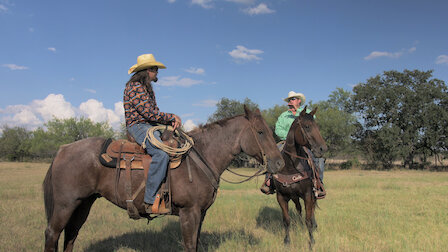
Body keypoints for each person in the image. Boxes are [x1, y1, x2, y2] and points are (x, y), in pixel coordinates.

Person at [123, 53, 181, 214]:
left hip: (148, 125)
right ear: (147, 70)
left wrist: (169, 122)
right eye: (155, 69)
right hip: (138, 126)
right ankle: (149, 200)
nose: (157, 72)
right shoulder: (135, 87)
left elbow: (153, 113)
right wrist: (171, 117)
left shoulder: (146, 88)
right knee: (161, 153)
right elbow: (148, 113)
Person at [260, 91, 326, 198]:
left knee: (318, 159)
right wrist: (291, 136)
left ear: (299, 101)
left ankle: (318, 184)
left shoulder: (308, 113)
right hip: (286, 142)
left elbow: (312, 129)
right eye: (289, 100)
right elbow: (278, 129)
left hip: (304, 142)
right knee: (272, 153)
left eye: (292, 99)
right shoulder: (284, 115)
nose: (290, 102)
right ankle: (269, 181)